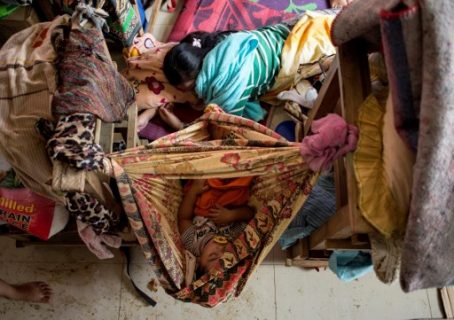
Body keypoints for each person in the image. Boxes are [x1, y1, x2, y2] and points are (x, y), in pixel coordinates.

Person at [163, 23, 292, 122]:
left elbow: (224, 133)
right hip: (280, 35)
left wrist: (178, 125)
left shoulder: (225, 89)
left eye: (190, 88)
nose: (187, 93)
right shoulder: (221, 41)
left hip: (288, 59)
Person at [178, 178, 255, 272]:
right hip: (229, 205)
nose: (220, 248)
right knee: (239, 190)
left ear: (198, 260)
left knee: (205, 184)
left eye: (213, 256)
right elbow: (249, 214)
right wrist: (231, 215)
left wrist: (193, 191)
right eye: (226, 252)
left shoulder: (193, 243)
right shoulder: (234, 238)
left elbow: (183, 218)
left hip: (203, 204)